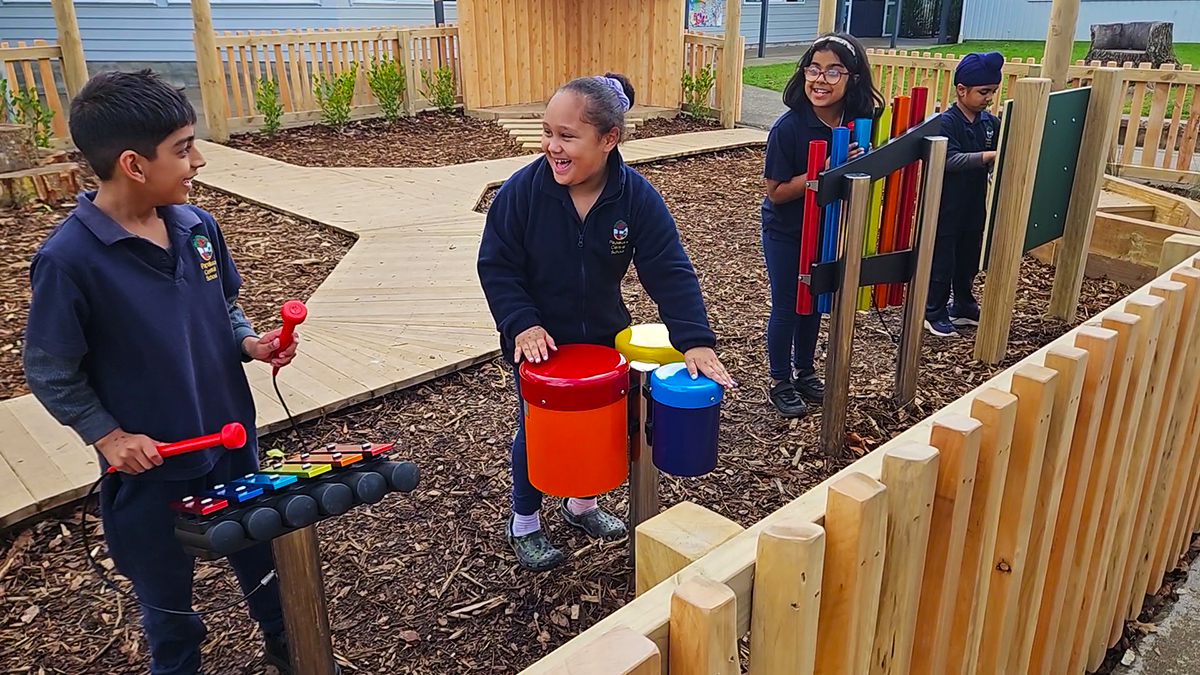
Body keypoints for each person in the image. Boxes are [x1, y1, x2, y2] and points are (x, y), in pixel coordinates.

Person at [22, 70, 304, 675]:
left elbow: (222, 306)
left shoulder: (196, 227)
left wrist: (250, 344)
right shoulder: (69, 261)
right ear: (133, 163)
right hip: (153, 471)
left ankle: (285, 644)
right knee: (167, 600)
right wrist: (108, 436)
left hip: (230, 441)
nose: (198, 160)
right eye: (182, 149)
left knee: (260, 556)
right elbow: (49, 369)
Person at [477, 72, 735, 572]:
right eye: (547, 132)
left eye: (567, 135)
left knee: (600, 424)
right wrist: (522, 323)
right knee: (539, 427)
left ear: (608, 138)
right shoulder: (522, 194)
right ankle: (524, 521)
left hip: (601, 333)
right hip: (541, 341)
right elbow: (498, 265)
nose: (552, 146)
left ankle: (582, 505)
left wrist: (695, 340)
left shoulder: (634, 198)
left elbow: (669, 268)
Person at [760, 33, 884, 418]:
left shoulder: (858, 124)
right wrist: (824, 169)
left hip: (829, 228)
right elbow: (776, 191)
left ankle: (805, 371)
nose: (821, 79)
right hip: (787, 231)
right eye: (814, 68)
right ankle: (780, 378)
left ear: (853, 79)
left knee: (814, 301)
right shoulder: (789, 128)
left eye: (834, 71)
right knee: (787, 304)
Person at [924, 51, 1003, 338]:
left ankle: (963, 305)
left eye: (993, 91)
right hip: (946, 207)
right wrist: (988, 155)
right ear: (961, 89)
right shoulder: (947, 122)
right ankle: (933, 311)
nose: (988, 97)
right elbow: (948, 159)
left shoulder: (989, 124)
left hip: (973, 206)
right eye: (983, 92)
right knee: (942, 260)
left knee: (968, 257)